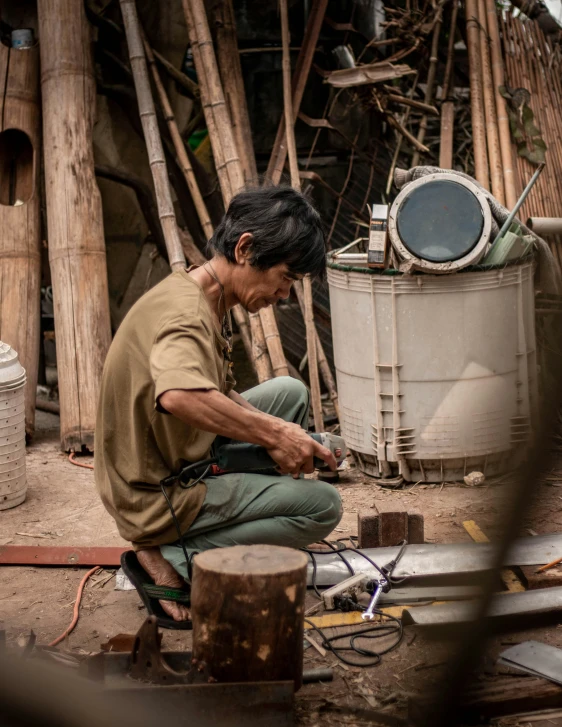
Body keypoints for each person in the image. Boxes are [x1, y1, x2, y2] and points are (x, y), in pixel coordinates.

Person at [94, 186, 343, 622]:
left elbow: (215, 388)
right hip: (156, 494)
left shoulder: (203, 293)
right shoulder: (186, 316)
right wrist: (273, 433)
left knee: (291, 392)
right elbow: (179, 394)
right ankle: (174, 557)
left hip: (168, 453)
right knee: (323, 506)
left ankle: (230, 486)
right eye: (285, 277)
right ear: (245, 248)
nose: (284, 295)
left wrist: (285, 431)